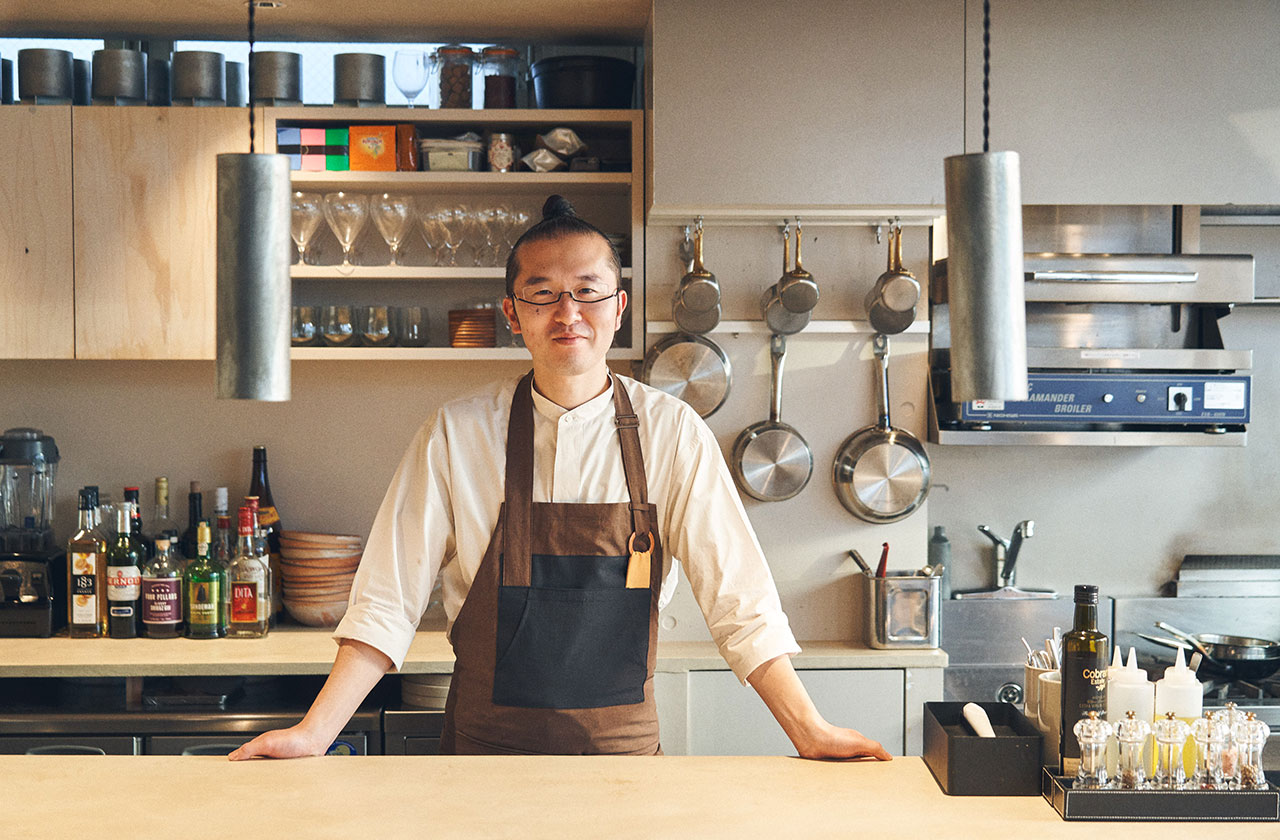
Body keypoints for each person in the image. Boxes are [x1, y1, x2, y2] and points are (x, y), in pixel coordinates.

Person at [231, 196, 890, 761]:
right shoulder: (458, 432)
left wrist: (811, 730)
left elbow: (739, 604)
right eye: (542, 294)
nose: (566, 313)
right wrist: (314, 734)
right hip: (482, 763)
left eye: (586, 291)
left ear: (619, 306)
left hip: (623, 762)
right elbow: (385, 602)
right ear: (513, 314)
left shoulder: (672, 432)